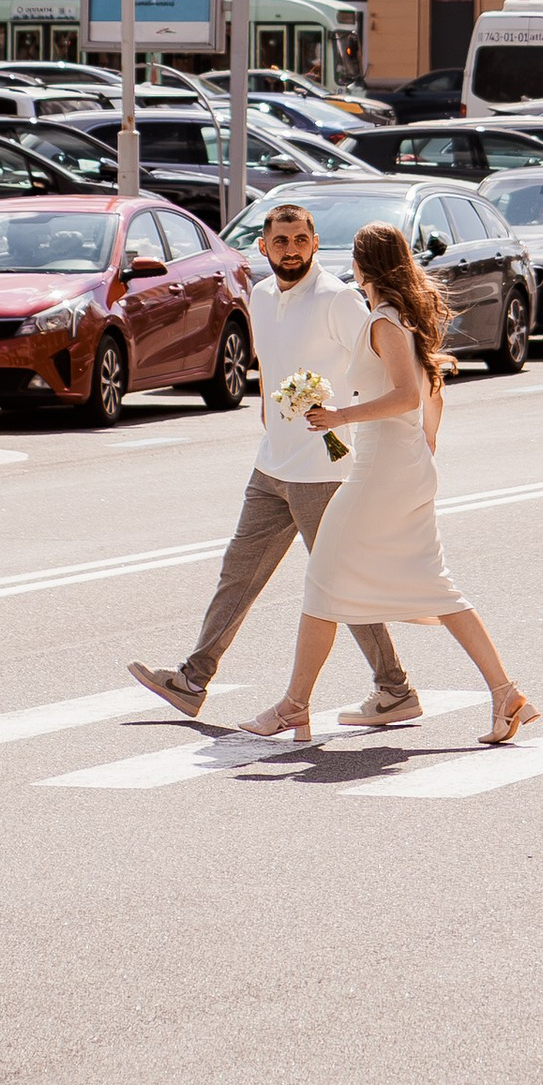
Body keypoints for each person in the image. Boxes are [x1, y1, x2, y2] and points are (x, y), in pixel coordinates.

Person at [240, 220, 538, 751]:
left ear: (362, 267)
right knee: (432, 583)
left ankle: (294, 706)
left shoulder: (383, 321)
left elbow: (406, 395)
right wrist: (424, 447)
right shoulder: (400, 317)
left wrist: (339, 416)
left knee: (325, 578)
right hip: (401, 465)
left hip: (380, 471)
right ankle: (506, 693)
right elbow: (430, 396)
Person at [128, 199, 421, 730]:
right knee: (238, 571)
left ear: (315, 244)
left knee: (339, 582)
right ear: (263, 246)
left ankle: (395, 688)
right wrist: (271, 421)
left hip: (323, 471)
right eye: (281, 241)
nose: (291, 250)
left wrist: (345, 420)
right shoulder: (260, 295)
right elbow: (268, 368)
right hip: (272, 466)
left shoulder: (339, 299)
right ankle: (192, 680)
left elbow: (384, 367)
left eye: (301, 240)